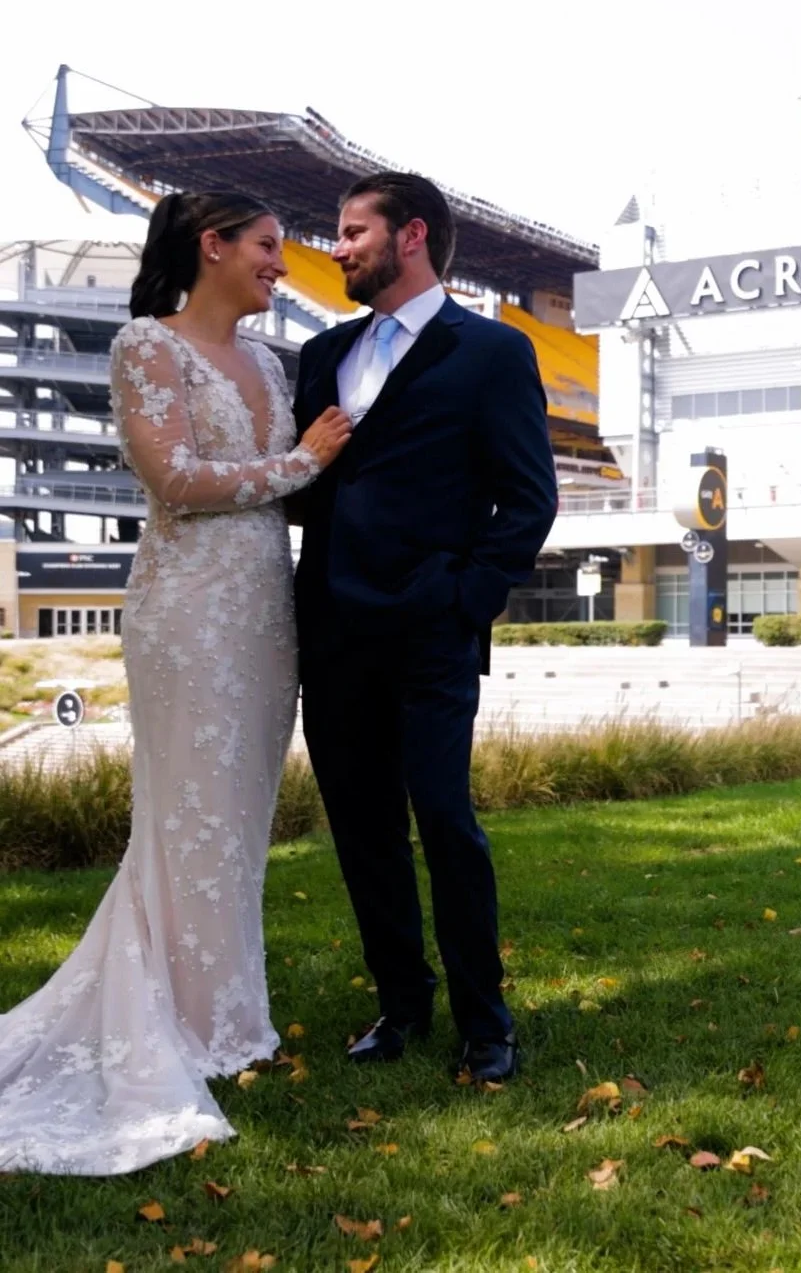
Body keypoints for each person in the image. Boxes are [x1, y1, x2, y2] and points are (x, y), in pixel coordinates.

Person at [0, 192, 351, 1175]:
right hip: (185, 615)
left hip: (262, 617)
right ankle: (182, 1025)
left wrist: (304, 461)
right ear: (214, 246)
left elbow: (279, 481)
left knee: (235, 825)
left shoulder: (275, 364)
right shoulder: (146, 347)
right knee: (182, 815)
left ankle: (229, 1018)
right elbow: (174, 478)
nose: (283, 265)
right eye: (269, 247)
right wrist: (302, 457)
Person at [293, 172, 557, 1083]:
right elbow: (307, 489)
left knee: (445, 821)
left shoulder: (490, 352)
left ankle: (488, 1021)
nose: (337, 247)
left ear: (410, 236)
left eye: (351, 229)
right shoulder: (322, 353)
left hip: (431, 632)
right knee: (362, 829)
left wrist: (464, 598)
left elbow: (528, 500)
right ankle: (401, 1002)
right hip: (330, 632)